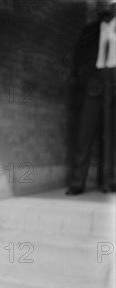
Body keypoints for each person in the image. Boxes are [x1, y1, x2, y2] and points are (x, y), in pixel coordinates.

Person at [66, 0, 116, 195]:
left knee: (110, 138)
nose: (108, 7)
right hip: (93, 85)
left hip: (114, 84)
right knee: (83, 137)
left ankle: (109, 182)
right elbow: (79, 57)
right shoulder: (90, 30)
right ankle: (77, 184)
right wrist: (85, 80)